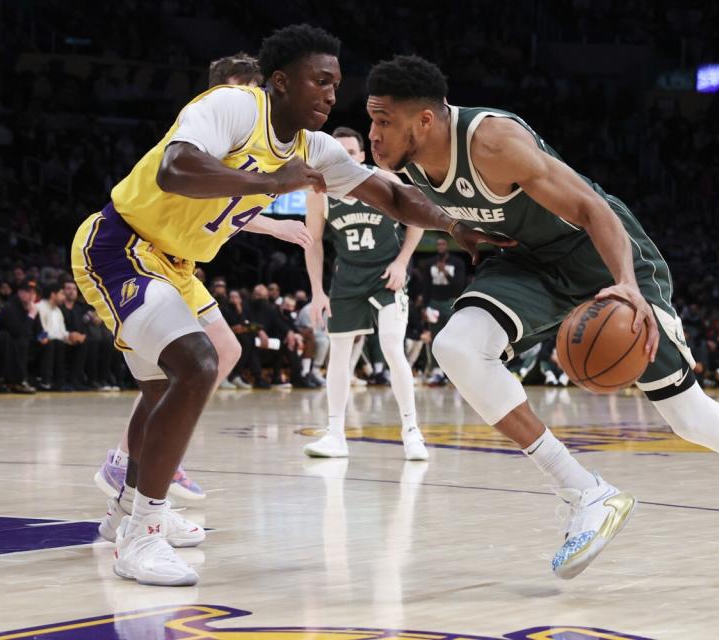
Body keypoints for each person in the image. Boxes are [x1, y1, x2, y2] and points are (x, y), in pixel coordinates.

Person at [364, 54, 719, 583]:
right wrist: (452, 224)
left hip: (601, 254)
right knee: (456, 347)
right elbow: (401, 198)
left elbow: (591, 208)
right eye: (371, 120)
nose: (373, 134)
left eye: (383, 121)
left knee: (688, 417)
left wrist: (625, 283)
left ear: (425, 121)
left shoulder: (492, 142)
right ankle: (585, 494)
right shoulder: (408, 156)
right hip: (529, 261)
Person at [72, 26, 504, 587]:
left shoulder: (314, 148)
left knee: (166, 387)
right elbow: (174, 168)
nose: (331, 94)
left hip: (177, 265)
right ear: (281, 82)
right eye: (320, 81)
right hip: (121, 244)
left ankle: (127, 511)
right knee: (198, 363)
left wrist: (455, 226)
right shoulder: (231, 106)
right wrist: (270, 180)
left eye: (336, 84)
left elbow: (391, 194)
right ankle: (142, 536)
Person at [93, 52, 298, 506]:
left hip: (183, 262)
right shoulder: (202, 134)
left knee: (225, 349)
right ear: (222, 90)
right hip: (140, 250)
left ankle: (149, 462)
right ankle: (132, 464)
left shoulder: (254, 135)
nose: (254, 100)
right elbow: (207, 193)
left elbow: (228, 208)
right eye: (245, 89)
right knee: (179, 371)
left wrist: (275, 223)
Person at [302, 126, 428, 460]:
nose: (343, 158)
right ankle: (335, 434)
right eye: (336, 152)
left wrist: (402, 262)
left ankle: (412, 431)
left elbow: (418, 219)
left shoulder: (385, 180)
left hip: (386, 275)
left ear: (361, 156)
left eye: (350, 152)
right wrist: (317, 290)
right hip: (347, 278)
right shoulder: (319, 192)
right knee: (338, 355)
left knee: (391, 344)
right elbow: (313, 241)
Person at [422, 236, 466, 385]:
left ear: (447, 246)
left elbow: (459, 287)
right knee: (434, 338)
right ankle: (436, 371)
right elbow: (426, 286)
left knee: (454, 338)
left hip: (450, 303)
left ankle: (455, 372)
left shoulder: (457, 263)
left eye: (443, 244)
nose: (440, 246)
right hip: (434, 304)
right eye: (438, 244)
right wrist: (424, 307)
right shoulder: (429, 264)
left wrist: (445, 273)